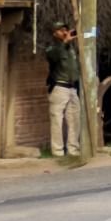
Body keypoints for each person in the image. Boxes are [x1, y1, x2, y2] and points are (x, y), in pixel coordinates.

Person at [43, 20, 81, 159]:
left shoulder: (71, 48)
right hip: (59, 87)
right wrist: (64, 43)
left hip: (72, 88)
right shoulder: (51, 48)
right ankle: (58, 151)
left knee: (75, 119)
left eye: (65, 29)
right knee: (57, 120)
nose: (64, 32)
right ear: (54, 33)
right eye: (60, 30)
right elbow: (54, 57)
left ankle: (73, 150)